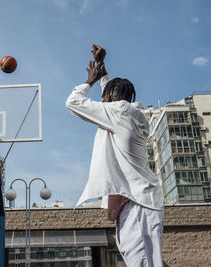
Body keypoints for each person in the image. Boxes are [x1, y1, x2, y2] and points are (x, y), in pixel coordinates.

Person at [66, 44, 164, 267]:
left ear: (112, 98)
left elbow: (73, 102)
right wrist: (102, 68)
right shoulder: (131, 113)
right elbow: (113, 98)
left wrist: (89, 80)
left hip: (137, 202)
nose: (102, 102)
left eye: (105, 98)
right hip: (138, 200)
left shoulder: (119, 112)